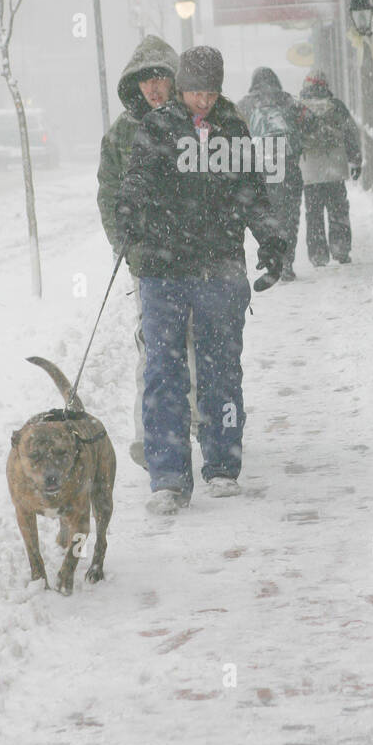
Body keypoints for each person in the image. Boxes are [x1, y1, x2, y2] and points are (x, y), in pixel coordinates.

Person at [116, 45, 286, 514]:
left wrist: (270, 238)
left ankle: (222, 464)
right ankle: (167, 475)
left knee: (221, 369)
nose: (203, 101)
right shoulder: (156, 129)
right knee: (163, 372)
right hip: (162, 269)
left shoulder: (232, 129)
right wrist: (128, 213)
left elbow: (252, 192)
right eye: (195, 91)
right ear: (180, 87)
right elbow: (135, 181)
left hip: (219, 265)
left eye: (210, 92)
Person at [97, 34, 196, 469]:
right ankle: (149, 434)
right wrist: (127, 244)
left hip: (199, 256)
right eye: (145, 81)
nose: (154, 87)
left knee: (199, 341)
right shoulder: (122, 134)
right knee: (155, 348)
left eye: (161, 78)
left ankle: (196, 415)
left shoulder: (196, 122)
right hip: (150, 264)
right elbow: (109, 192)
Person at [237, 66, 307, 282]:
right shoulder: (288, 101)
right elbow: (307, 124)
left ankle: (272, 259)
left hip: (260, 170)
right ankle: (287, 262)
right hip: (288, 169)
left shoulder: (244, 105)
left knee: (266, 217)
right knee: (289, 218)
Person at [297, 70, 362, 267]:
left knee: (314, 213)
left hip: (310, 172)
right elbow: (350, 133)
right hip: (335, 169)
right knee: (338, 210)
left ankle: (318, 255)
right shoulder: (336, 106)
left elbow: (292, 138)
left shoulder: (298, 109)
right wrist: (355, 159)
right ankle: (341, 249)